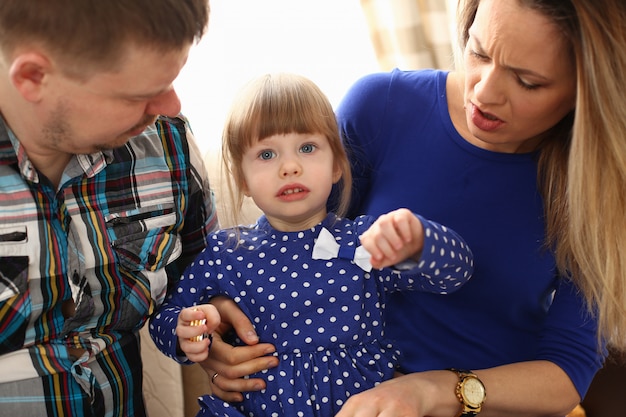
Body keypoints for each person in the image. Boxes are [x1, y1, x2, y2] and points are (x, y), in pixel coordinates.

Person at [198, 0, 626, 416]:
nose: (485, 91)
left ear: (586, 89)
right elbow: (296, 243)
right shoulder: (382, 107)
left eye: (527, 81)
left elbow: (566, 371)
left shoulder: (597, 186)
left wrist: (434, 390)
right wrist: (222, 316)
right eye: (478, 52)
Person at [149, 73, 475, 417]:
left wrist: (420, 241)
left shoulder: (364, 241)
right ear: (242, 179)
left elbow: (456, 275)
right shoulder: (226, 253)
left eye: (307, 148)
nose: (289, 167)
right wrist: (192, 327)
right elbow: (165, 321)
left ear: (337, 164)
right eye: (266, 154)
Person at [0, 1, 217, 416]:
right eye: (141, 94)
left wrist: (211, 332)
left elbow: (207, 289)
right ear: (33, 77)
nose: (170, 107)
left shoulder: (168, 143)